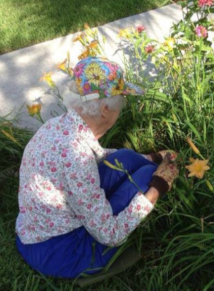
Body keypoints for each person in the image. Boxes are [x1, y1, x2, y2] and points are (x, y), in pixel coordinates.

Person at [15, 57, 179, 278]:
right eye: (122, 99)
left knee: (125, 157)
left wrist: (150, 156)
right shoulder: (77, 158)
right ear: (105, 109)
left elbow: (99, 155)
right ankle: (153, 179)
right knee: (147, 177)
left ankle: (148, 168)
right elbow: (110, 235)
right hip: (61, 252)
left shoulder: (57, 126)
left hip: (35, 232)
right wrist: (157, 188)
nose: (122, 106)